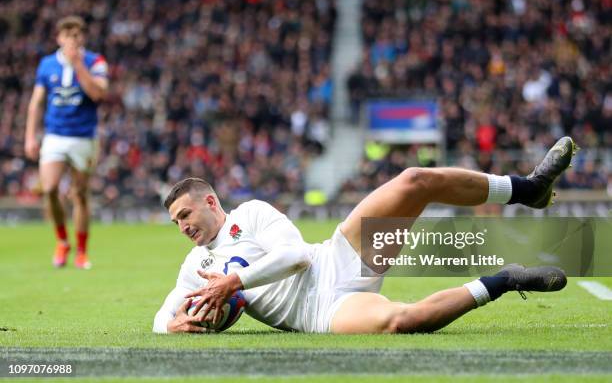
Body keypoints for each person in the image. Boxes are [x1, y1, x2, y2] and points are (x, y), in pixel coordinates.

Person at [153, 136, 576, 334]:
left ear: (211, 203)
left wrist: (234, 282)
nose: (182, 225)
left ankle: (528, 188)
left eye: (185, 213)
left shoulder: (252, 213)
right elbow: (160, 319)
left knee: (414, 180)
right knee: (399, 321)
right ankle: (505, 280)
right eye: (175, 222)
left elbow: (297, 256)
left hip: (337, 258)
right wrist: (171, 328)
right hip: (320, 314)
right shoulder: (195, 267)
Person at [24, 15, 109, 269]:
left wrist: (78, 65)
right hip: (55, 136)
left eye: (77, 34)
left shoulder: (95, 61)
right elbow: (36, 102)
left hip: (84, 137)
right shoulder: (47, 64)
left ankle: (81, 251)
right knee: (49, 189)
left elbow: (98, 94)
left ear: (83, 37)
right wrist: (30, 136)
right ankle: (62, 241)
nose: (72, 38)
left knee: (80, 194)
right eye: (67, 34)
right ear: (59, 38)